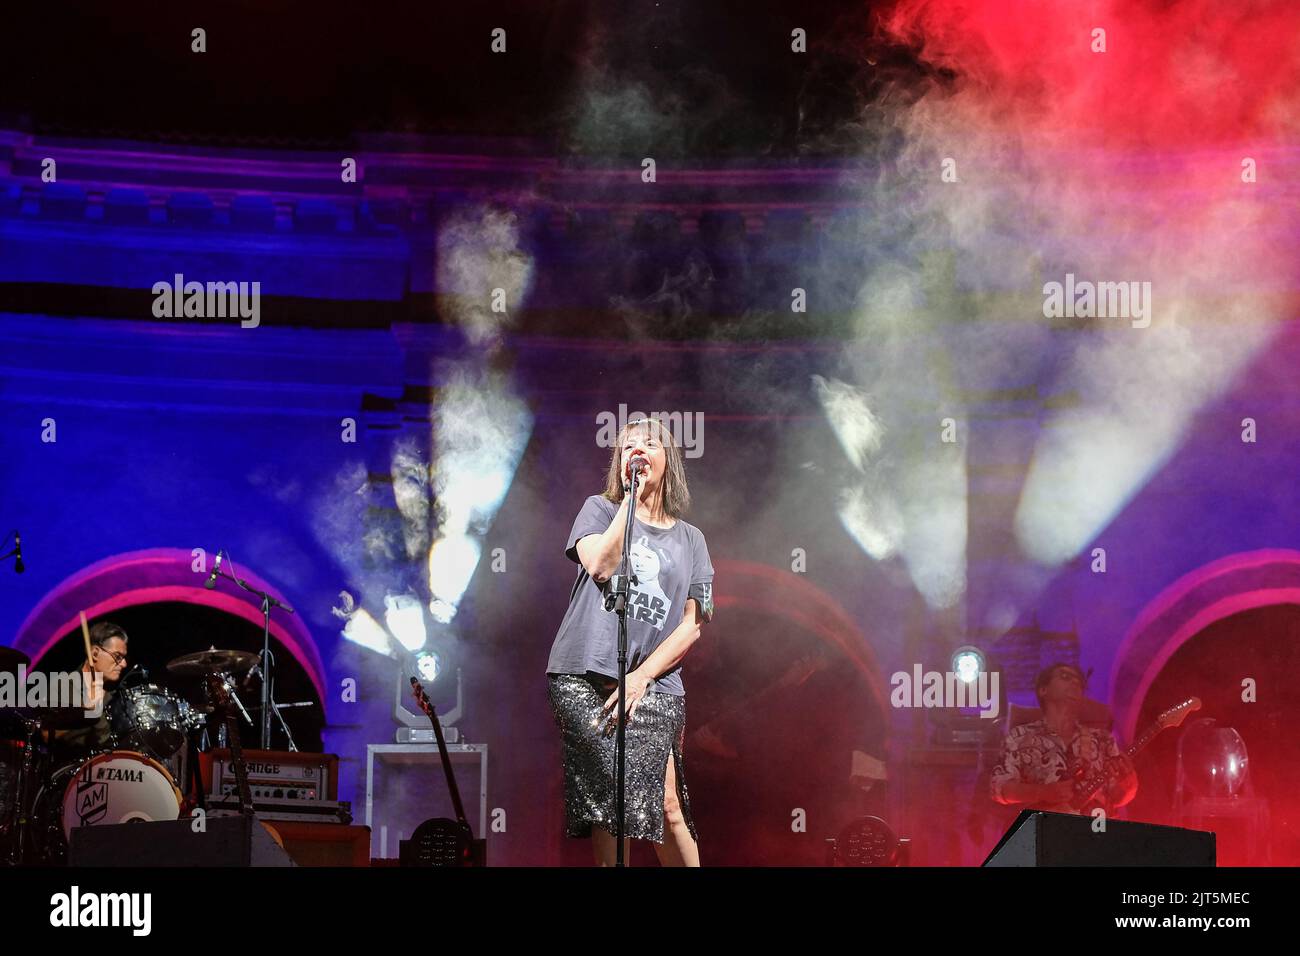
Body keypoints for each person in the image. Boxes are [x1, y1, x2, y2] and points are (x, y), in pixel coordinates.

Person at [546, 416, 715, 866]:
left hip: (654, 683)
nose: (637, 450)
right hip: (583, 675)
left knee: (668, 805)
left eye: (649, 444)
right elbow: (600, 566)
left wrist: (640, 676)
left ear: (669, 459)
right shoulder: (599, 509)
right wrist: (630, 500)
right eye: (628, 447)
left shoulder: (691, 539)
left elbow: (691, 625)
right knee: (607, 807)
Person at [990, 662, 1137, 815]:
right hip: (1044, 833)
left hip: (1098, 832)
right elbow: (999, 788)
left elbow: (1117, 798)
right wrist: (1042, 792)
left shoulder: (1103, 739)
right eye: (1065, 676)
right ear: (1043, 690)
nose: (1075, 683)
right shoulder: (1019, 736)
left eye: (1079, 683)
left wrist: (1129, 787)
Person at [57, 621, 130, 754]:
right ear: (95, 653)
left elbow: (110, 745)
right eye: (118, 657)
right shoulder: (64, 684)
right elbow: (47, 734)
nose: (124, 664)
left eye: (124, 658)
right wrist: (87, 713)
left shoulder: (114, 697)